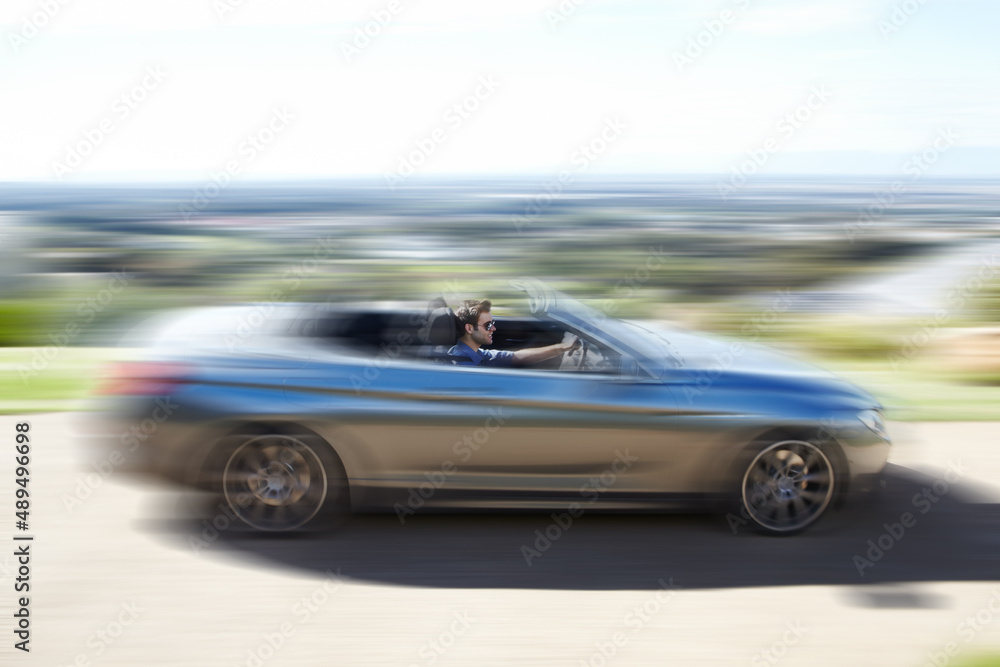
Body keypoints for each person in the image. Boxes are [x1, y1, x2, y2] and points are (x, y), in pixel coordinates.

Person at [448, 299, 579, 367]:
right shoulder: (461, 363)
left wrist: (562, 348)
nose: (493, 329)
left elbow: (516, 356)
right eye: (488, 325)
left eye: (492, 324)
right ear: (469, 328)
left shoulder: (476, 353)